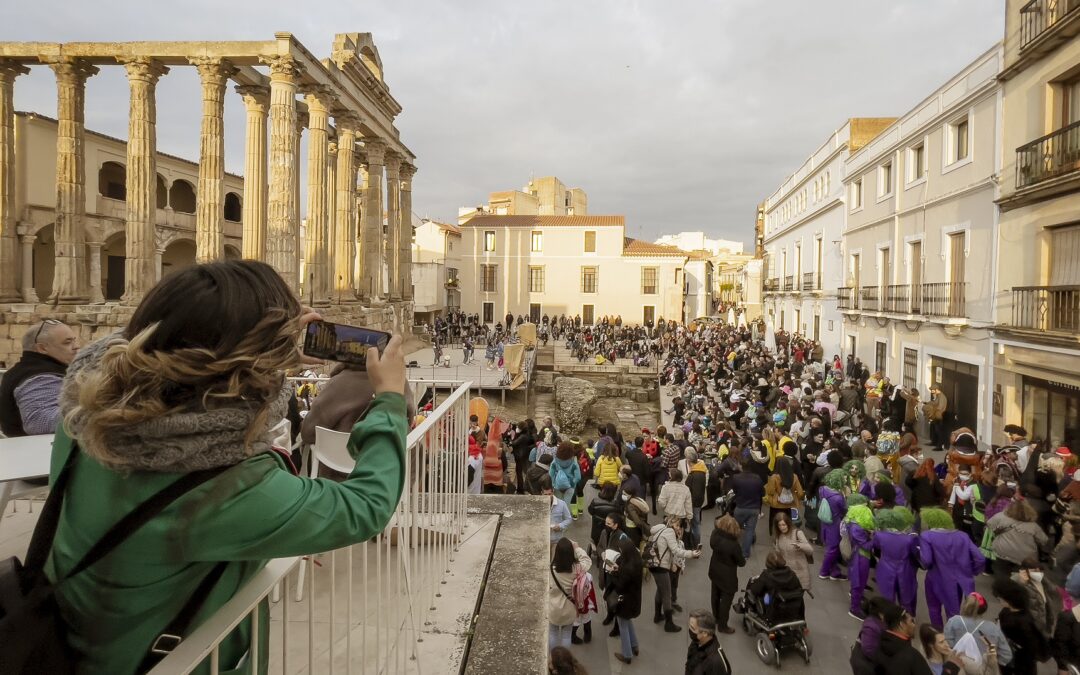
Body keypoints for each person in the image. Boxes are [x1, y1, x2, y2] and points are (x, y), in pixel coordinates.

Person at [47, 260, 409, 673]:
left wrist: (268, 353)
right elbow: (366, 506)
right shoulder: (224, 488)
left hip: (76, 641)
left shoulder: (82, 415)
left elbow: (143, 345)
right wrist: (389, 401)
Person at [0, 318, 80, 436]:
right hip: (38, 452)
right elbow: (41, 422)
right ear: (42, 348)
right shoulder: (40, 377)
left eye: (74, 340)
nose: (76, 346)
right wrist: (103, 412)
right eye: (67, 342)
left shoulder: (24, 370)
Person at [920, 507, 986, 629]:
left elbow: (926, 561)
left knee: (934, 609)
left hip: (935, 578)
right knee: (953, 611)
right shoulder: (962, 535)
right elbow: (980, 558)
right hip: (959, 580)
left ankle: (938, 634)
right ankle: (954, 636)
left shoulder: (926, 536)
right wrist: (970, 571)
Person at [647, 515, 700, 632]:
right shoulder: (669, 532)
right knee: (666, 593)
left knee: (660, 590)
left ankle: (657, 616)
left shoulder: (660, 527)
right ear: (671, 523)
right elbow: (676, 550)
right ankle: (669, 623)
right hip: (661, 566)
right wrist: (691, 553)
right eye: (676, 525)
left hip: (653, 564)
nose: (678, 528)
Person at [993, 577, 1049, 675]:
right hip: (1008, 657)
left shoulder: (1023, 623)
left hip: (1018, 664)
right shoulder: (1008, 611)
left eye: (999, 599)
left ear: (1008, 600)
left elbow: (1030, 649)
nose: (999, 601)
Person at [944, 592, 1013, 670]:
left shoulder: (954, 621)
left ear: (965, 606)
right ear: (984, 609)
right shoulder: (993, 628)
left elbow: (947, 643)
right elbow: (1006, 655)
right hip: (981, 669)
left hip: (956, 665)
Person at [874, 506, 920, 616]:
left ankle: (887, 621)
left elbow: (876, 546)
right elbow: (916, 554)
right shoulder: (910, 538)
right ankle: (907, 620)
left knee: (887, 598)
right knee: (906, 599)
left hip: (885, 567)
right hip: (905, 569)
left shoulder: (880, 535)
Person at [988, 500, 1048, 582]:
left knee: (1001, 571)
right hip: (1024, 556)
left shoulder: (1000, 517)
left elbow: (989, 525)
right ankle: (1015, 586)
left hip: (1003, 551)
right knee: (1020, 576)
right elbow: (1044, 540)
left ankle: (1002, 586)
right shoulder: (1034, 526)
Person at [548, 537, 591, 649]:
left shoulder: (551, 569)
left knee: (553, 633)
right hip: (570, 607)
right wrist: (577, 549)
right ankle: (564, 660)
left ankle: (554, 658)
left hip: (553, 608)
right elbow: (587, 561)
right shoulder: (577, 568)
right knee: (567, 635)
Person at [608, 535, 643, 665]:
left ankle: (627, 654)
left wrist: (613, 573)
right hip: (634, 599)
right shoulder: (636, 561)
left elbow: (620, 586)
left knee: (622, 625)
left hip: (624, 601)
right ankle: (635, 646)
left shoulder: (628, 568)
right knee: (627, 622)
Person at [708, 514, 745, 634]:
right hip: (728, 576)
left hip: (714, 570)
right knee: (726, 601)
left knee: (715, 595)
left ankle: (716, 618)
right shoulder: (734, 545)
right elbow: (741, 563)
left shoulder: (715, 535)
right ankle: (723, 626)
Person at [919, 623, 998, 675]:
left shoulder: (957, 657)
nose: (947, 645)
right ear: (930, 645)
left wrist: (990, 657)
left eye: (946, 639)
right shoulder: (921, 666)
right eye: (941, 642)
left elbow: (982, 672)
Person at [729, 464, 764, 559]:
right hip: (754, 508)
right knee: (750, 531)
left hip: (740, 507)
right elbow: (762, 492)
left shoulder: (736, 477)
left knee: (735, 529)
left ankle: (732, 550)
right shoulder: (757, 478)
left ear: (741, 467)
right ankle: (745, 554)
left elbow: (735, 490)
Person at [764, 455, 804, 536]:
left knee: (775, 521)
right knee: (787, 521)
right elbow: (800, 493)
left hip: (776, 505)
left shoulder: (774, 477)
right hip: (789, 504)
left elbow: (770, 491)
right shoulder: (794, 476)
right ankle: (787, 535)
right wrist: (796, 497)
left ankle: (775, 536)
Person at [773, 510, 813, 589]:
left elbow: (810, 550)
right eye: (779, 525)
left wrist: (800, 545)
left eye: (784, 525)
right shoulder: (778, 536)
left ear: (788, 523)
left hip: (800, 572)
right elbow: (778, 553)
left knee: (797, 597)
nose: (782, 527)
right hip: (786, 572)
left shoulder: (797, 533)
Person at [685, 609, 732, 675]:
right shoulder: (697, 642)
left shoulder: (715, 662)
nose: (689, 630)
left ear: (704, 633)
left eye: (692, 628)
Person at [543, 476, 573, 555]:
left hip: (557, 539)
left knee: (556, 560)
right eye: (545, 495)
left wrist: (560, 525)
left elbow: (569, 519)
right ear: (541, 493)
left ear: (553, 492)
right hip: (543, 538)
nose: (548, 497)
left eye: (550, 494)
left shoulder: (561, 504)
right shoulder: (539, 505)